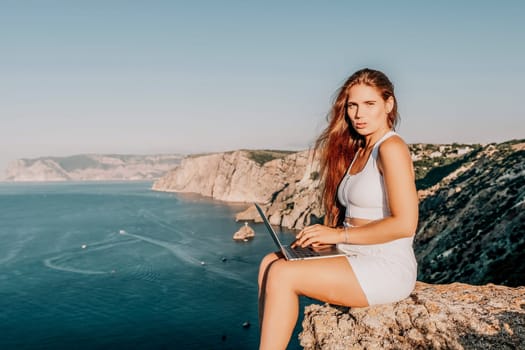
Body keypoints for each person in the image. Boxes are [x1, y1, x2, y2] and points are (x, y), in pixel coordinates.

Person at [257, 68, 418, 349]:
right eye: (353, 105)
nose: (359, 114)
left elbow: (405, 224)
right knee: (269, 262)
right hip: (353, 252)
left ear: (388, 104)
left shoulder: (391, 147)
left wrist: (338, 236)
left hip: (385, 263)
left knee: (283, 274)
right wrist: (323, 238)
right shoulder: (359, 149)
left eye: (370, 104)